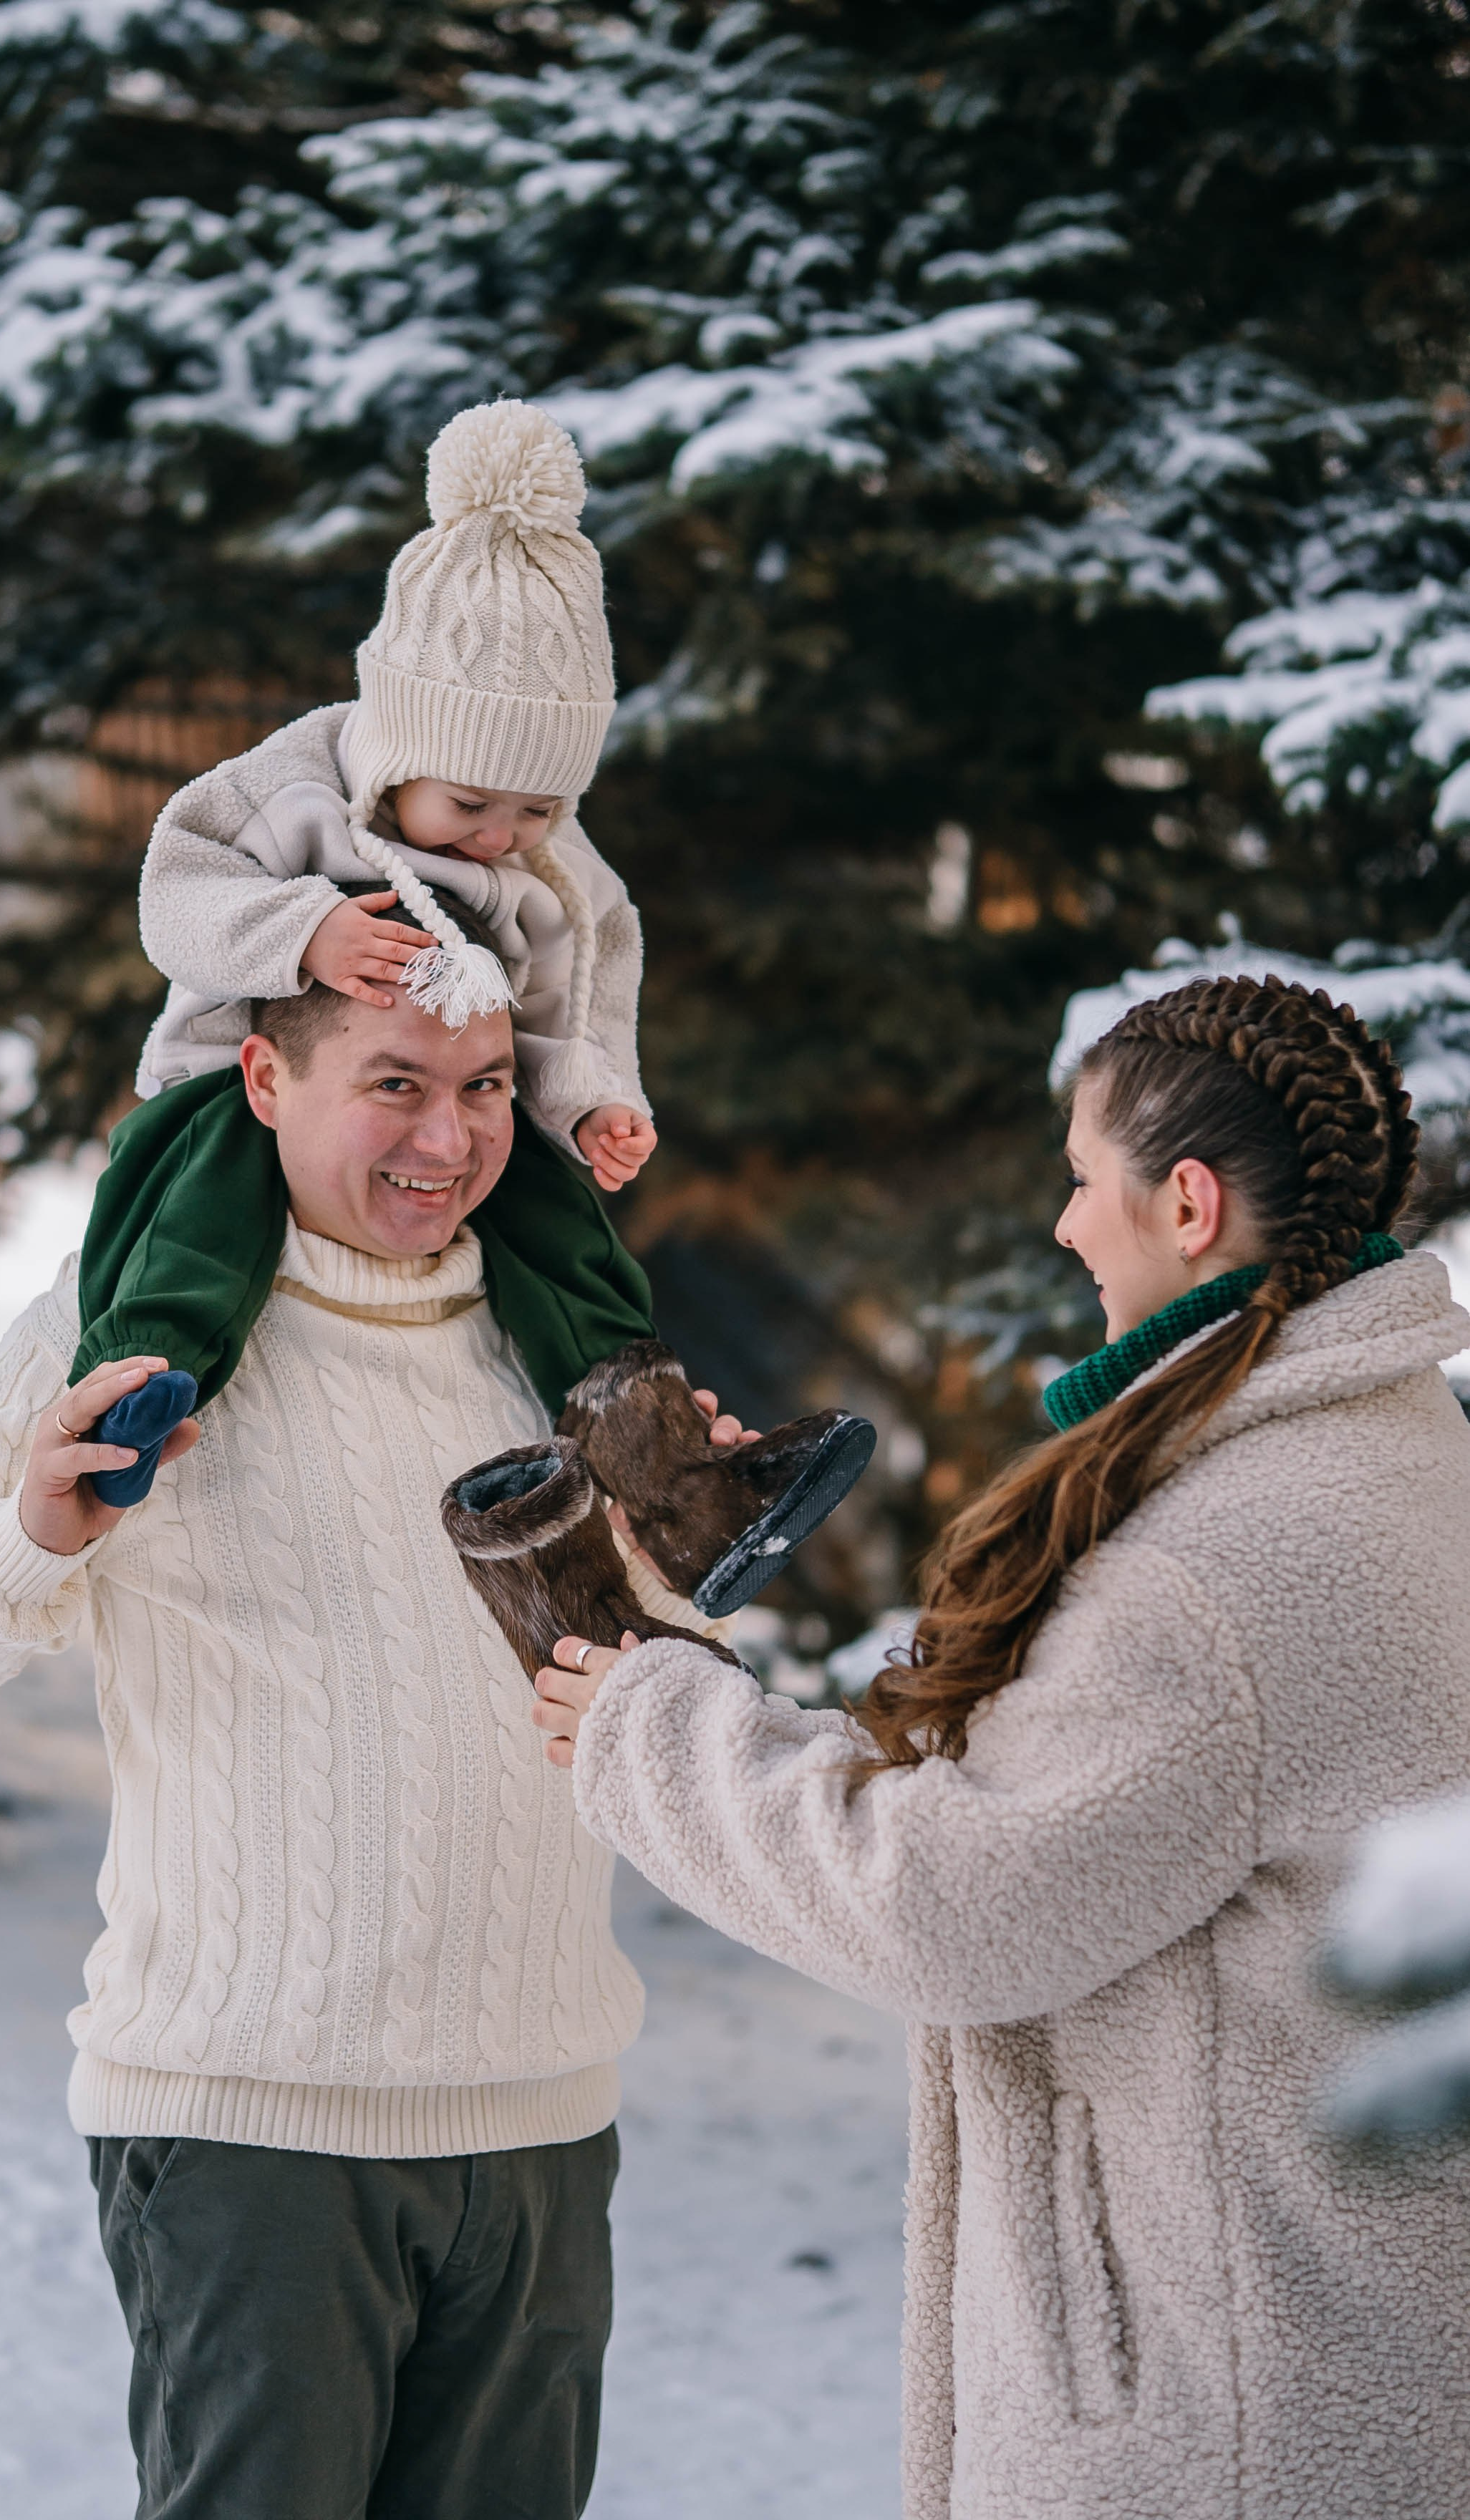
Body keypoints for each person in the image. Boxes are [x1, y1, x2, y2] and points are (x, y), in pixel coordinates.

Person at [0, 920, 744, 2520]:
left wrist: (687, 1547)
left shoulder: (565, 1334)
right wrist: (33, 1531)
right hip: (254, 2132)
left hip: (537, 2116)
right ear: (263, 1077)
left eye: (483, 1087)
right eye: (394, 1084)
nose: (449, 1138)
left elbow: (650, 1680)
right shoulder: (130, 1321)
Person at [531, 974, 1470, 2520]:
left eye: (1082, 1179)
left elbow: (955, 1902)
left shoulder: (1212, 1568)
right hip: (1348, 2349)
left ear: (1186, 1204)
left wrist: (657, 1731)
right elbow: (1073, 1801)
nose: (1062, 1224)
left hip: (1222, 2417)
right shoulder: (1400, 1454)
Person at [72, 395, 660, 1486]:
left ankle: (641, 1422)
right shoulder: (294, 791)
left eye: (538, 811)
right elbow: (176, 889)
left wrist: (592, 1099)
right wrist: (304, 931)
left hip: (451, 1089)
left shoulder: (556, 871)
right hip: (245, 1079)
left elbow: (583, 985)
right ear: (396, 750)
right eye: (471, 804)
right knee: (192, 1209)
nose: (502, 838)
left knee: (561, 1225)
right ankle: (132, 1395)